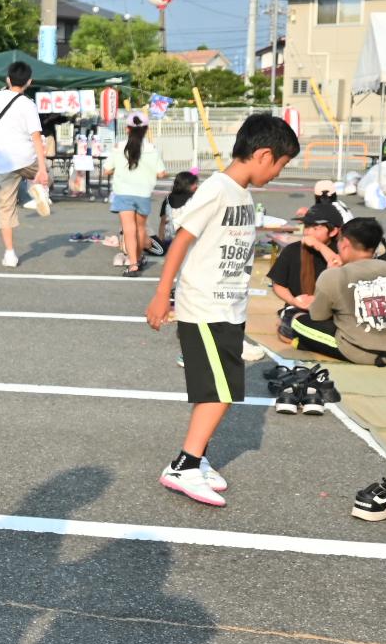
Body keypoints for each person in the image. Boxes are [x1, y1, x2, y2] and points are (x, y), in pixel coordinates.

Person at [146, 114, 301, 505]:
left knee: (219, 388)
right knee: (221, 391)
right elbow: (181, 239)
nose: (278, 174)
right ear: (264, 155)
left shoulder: (242, 195)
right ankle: (184, 464)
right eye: (281, 166)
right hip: (204, 306)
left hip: (229, 307)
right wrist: (162, 294)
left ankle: (195, 459)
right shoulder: (218, 188)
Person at [286, 218, 386, 367]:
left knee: (297, 320)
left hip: (362, 353)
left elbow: (318, 317)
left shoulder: (333, 275)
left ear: (345, 243)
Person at [0, 60, 49, 268]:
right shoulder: (28, 104)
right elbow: (36, 137)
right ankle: (39, 187)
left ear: (7, 79)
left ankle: (10, 254)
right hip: (27, 157)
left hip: (2, 162)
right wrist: (42, 170)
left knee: (5, 209)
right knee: (43, 173)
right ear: (29, 82)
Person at [104, 111, 166, 276]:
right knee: (140, 229)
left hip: (123, 193)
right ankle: (138, 258)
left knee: (128, 229)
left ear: (128, 129)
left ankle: (133, 265)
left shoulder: (119, 148)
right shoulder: (152, 149)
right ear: (146, 129)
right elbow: (161, 173)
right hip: (143, 194)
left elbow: (107, 170)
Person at [267, 201, 345, 325]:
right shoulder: (292, 250)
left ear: (333, 231)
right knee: (293, 326)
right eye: (307, 227)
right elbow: (278, 284)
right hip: (298, 309)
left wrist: (319, 246)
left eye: (315, 228)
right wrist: (293, 301)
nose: (309, 232)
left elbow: (338, 264)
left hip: (332, 311)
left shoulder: (341, 250)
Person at [144, 169, 200, 258]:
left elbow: (163, 222)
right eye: (195, 184)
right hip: (188, 240)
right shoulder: (195, 199)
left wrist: (161, 240)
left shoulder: (168, 199)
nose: (197, 186)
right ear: (187, 185)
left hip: (169, 241)